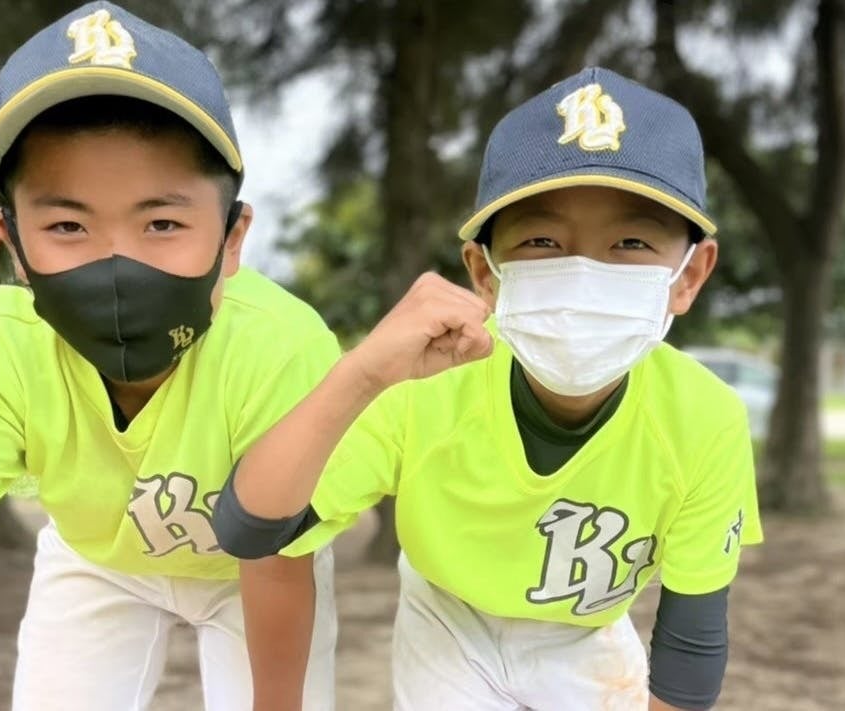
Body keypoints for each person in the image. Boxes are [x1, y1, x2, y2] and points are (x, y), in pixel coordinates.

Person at [0, 3, 338, 710]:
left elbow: (277, 561)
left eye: (162, 222)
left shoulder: (281, 348)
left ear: (231, 238)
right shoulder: (2, 351)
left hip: (253, 566)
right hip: (98, 558)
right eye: (67, 225)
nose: (116, 264)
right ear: (14, 245)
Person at [214, 67, 764, 711]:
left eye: (632, 241)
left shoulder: (705, 418)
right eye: (541, 240)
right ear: (484, 270)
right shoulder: (427, 381)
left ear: (689, 274)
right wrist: (362, 373)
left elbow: (690, 647)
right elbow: (252, 528)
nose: (583, 273)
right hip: (449, 619)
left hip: (584, 633)